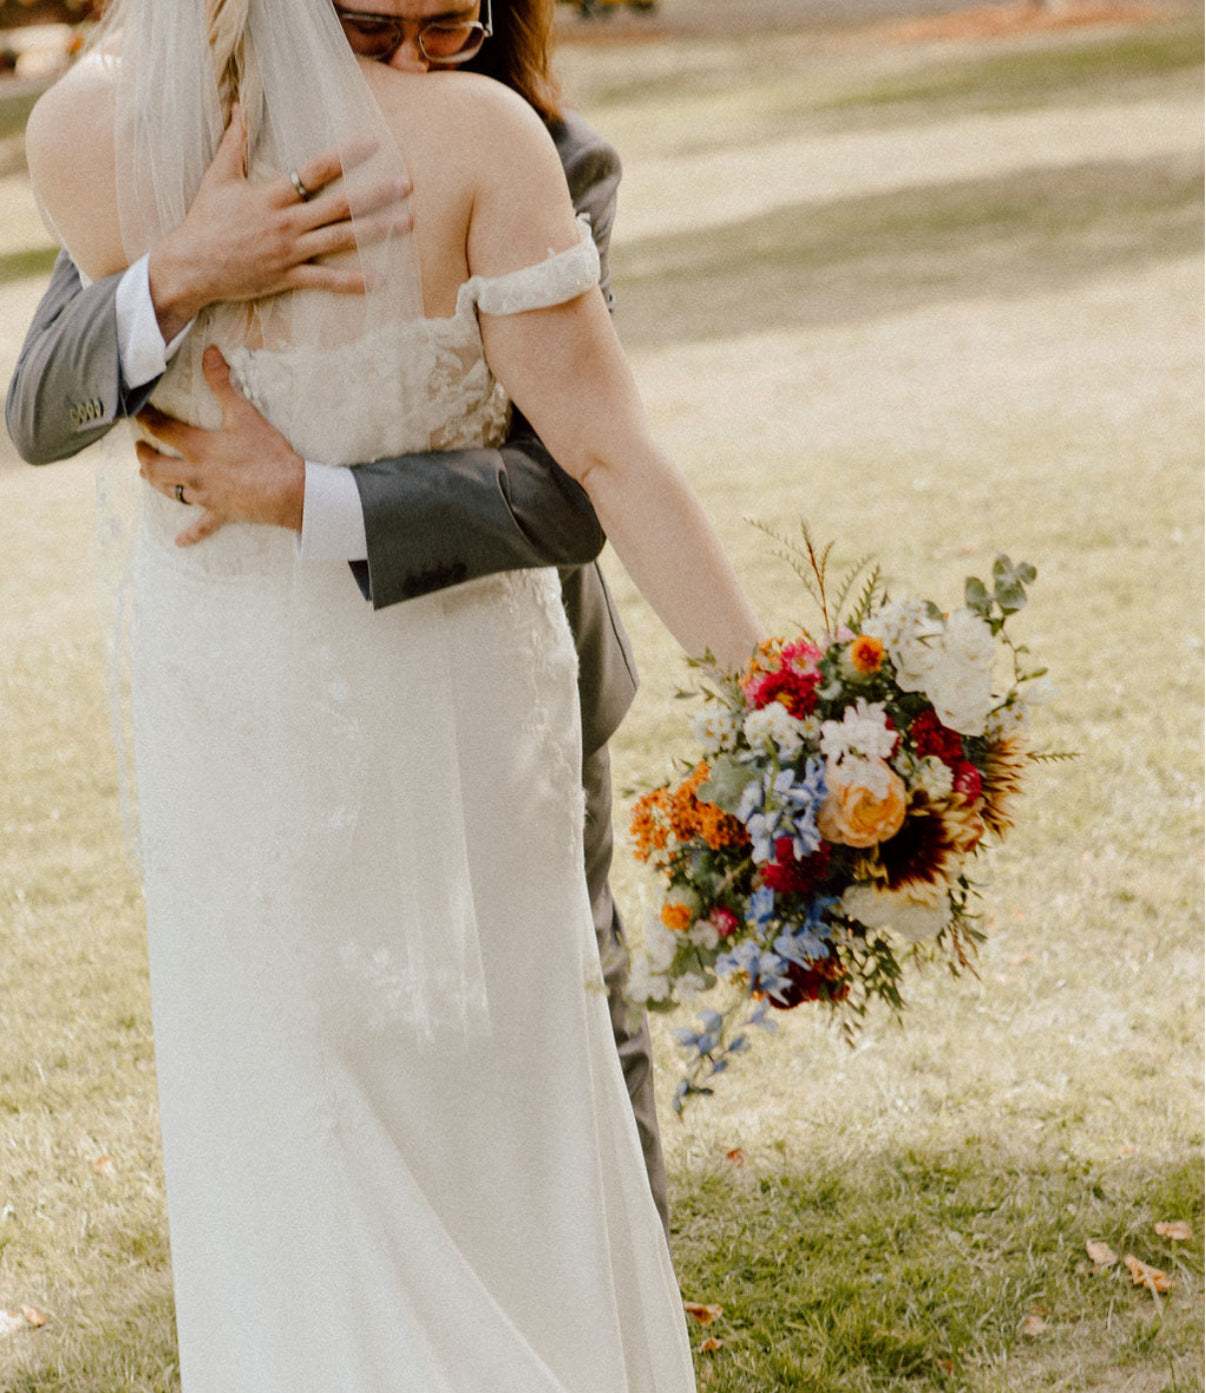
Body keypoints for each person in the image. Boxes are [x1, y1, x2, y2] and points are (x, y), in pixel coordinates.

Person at [20, 0, 763, 1388]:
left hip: (362, 683)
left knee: (399, 1092)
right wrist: (175, 273)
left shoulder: (91, 132)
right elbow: (614, 454)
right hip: (305, 712)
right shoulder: (476, 139)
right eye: (388, 20)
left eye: (451, 22)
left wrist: (786, 701)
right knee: (406, 1092)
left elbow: (574, 476)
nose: (422, 52)